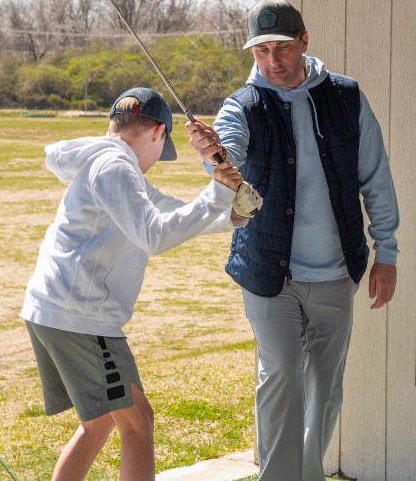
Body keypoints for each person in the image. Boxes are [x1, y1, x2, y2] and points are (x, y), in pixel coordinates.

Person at [188, 0, 400, 481]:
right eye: (261, 51)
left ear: (305, 41)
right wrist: (215, 157)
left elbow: (377, 180)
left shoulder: (347, 98)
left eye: (282, 48)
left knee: (324, 388)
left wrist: (386, 252)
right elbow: (227, 147)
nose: (272, 61)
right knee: (281, 375)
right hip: (268, 272)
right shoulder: (241, 106)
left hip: (335, 272)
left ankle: (306, 475)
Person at [20, 87, 260, 481]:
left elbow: (168, 212)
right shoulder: (115, 167)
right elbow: (155, 235)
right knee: (137, 422)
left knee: (100, 422)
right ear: (158, 134)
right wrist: (217, 190)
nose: (154, 164)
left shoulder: (110, 163)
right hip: (79, 315)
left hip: (58, 310)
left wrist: (230, 213)